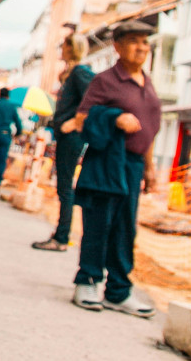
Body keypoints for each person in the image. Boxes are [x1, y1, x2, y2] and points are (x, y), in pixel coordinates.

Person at [70, 20, 161, 319]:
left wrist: (149, 168)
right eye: (134, 41)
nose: (141, 47)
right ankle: (87, 281)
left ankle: (118, 291)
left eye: (145, 42)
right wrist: (115, 117)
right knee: (99, 223)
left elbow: (148, 130)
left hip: (133, 165)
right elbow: (82, 119)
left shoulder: (147, 83)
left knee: (125, 229)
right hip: (106, 162)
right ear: (118, 47)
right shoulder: (106, 81)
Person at [33, 33, 94, 252]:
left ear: (72, 48)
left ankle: (61, 237)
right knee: (63, 186)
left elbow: (92, 98)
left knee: (65, 187)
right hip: (64, 136)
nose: (61, 49)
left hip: (72, 137)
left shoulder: (80, 72)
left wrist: (75, 123)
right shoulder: (70, 73)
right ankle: (61, 234)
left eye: (64, 45)